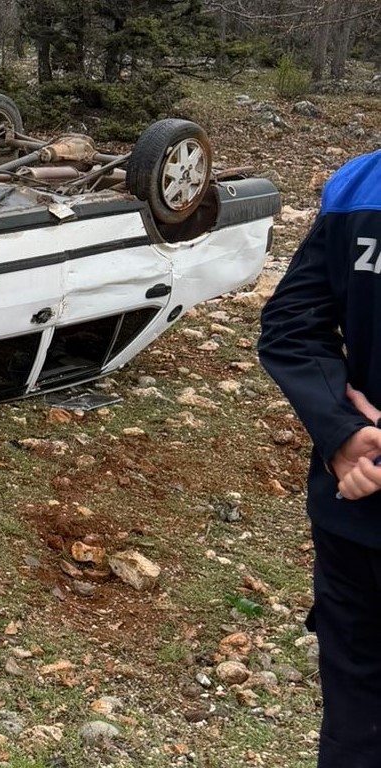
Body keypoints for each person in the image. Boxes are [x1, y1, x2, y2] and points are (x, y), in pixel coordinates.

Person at [259, 147, 381, 766]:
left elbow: (291, 324)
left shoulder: (362, 182)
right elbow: (291, 322)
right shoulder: (358, 183)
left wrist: (342, 436)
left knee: (358, 716)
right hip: (358, 510)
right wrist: (342, 439)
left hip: (358, 503)